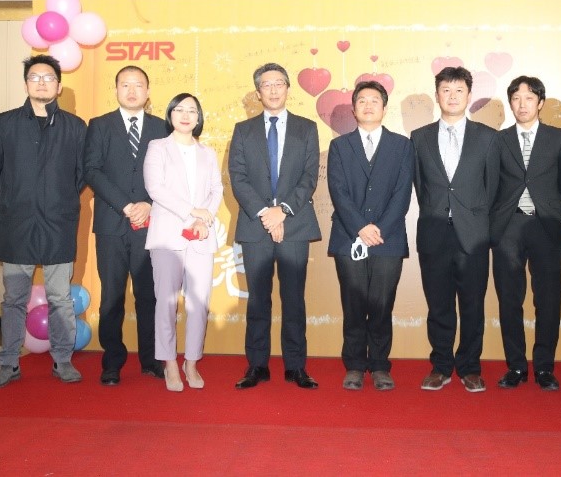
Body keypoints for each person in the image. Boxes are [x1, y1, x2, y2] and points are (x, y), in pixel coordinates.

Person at [0, 54, 86, 388]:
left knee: (60, 298)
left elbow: (81, 174)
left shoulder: (75, 127)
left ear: (59, 85)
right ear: (26, 83)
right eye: (35, 77)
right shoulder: (4, 124)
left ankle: (62, 360)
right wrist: (16, 196)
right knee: (14, 299)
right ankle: (9, 363)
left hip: (59, 222)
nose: (42, 83)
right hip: (17, 223)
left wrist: (58, 199)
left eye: (48, 78)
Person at [229, 62, 321, 390]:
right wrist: (265, 214)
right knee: (258, 299)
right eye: (266, 85)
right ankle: (257, 365)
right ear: (258, 92)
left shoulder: (306, 128)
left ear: (287, 88)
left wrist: (282, 211)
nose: (273, 89)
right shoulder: (243, 130)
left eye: (279, 83)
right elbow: (238, 177)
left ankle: (296, 366)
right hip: (256, 226)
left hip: (294, 223)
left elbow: (309, 176)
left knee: (294, 298)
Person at [411, 66, 500, 392]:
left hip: (473, 235)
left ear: (469, 95)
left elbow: (492, 188)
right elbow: (420, 185)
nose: (452, 96)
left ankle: (470, 368)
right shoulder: (419, 137)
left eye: (459, 90)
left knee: (473, 306)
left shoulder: (488, 137)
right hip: (434, 232)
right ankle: (440, 366)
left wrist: (475, 220)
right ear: (437, 95)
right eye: (446, 90)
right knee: (438, 306)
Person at [327, 81, 414, 391]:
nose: (368, 105)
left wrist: (380, 229)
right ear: (353, 109)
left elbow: (403, 193)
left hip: (388, 240)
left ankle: (379, 365)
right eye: (361, 100)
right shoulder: (339, 146)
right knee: (353, 305)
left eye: (374, 100)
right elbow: (337, 190)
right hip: (348, 236)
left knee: (381, 304)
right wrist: (360, 227)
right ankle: (354, 365)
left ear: (384, 108)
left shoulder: (402, 146)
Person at [84, 66, 168, 386]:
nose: (132, 91)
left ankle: (151, 360)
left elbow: (170, 174)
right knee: (111, 297)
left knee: (149, 295)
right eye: (125, 85)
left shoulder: (162, 127)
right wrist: (126, 205)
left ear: (148, 91)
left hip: (151, 224)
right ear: (116, 89)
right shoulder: (100, 125)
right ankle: (112, 362)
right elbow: (92, 171)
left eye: (138, 85)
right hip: (112, 224)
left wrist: (148, 204)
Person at [490, 76, 561, 391]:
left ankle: (545, 367)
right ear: (510, 103)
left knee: (548, 299)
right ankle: (516, 366)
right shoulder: (498, 140)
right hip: (508, 226)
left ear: (540, 103)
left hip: (545, 226)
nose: (522, 104)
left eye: (529, 98)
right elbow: (490, 184)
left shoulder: (559, 138)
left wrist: (551, 208)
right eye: (516, 98)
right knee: (510, 299)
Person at [144, 93, 223, 392]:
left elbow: (216, 190)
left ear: (199, 118)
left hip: (201, 236)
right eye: (179, 109)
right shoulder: (158, 147)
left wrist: (204, 219)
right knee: (166, 302)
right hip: (168, 236)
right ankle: (169, 363)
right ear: (170, 114)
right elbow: (155, 188)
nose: (186, 115)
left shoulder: (208, 153)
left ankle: (191, 362)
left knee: (199, 304)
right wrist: (192, 212)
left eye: (192, 110)